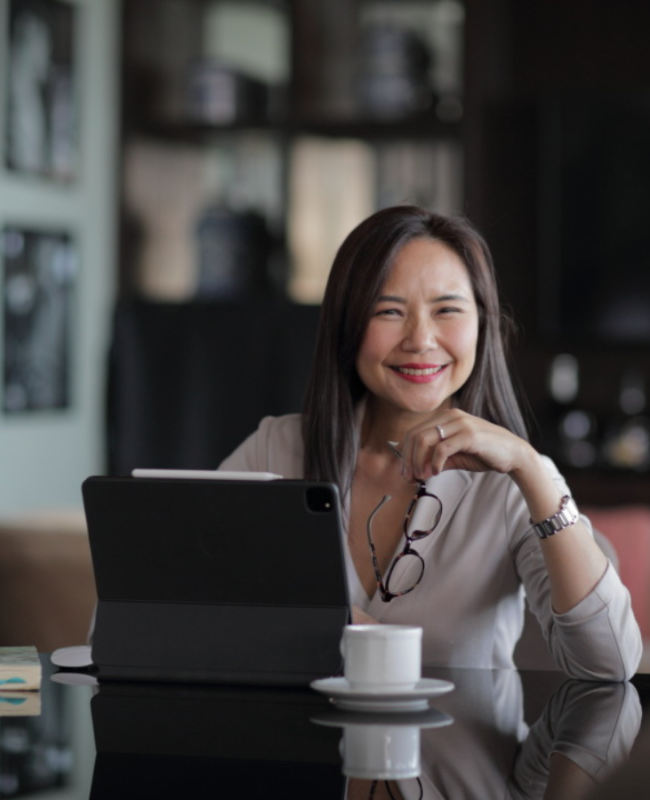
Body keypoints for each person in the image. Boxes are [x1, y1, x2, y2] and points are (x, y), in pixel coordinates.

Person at [219, 205, 642, 680]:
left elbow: (609, 665)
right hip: (300, 749)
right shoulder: (275, 450)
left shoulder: (514, 484)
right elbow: (188, 599)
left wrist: (529, 467)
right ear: (346, 326)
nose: (420, 340)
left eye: (447, 310)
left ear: (483, 325)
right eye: (389, 311)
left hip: (458, 755)